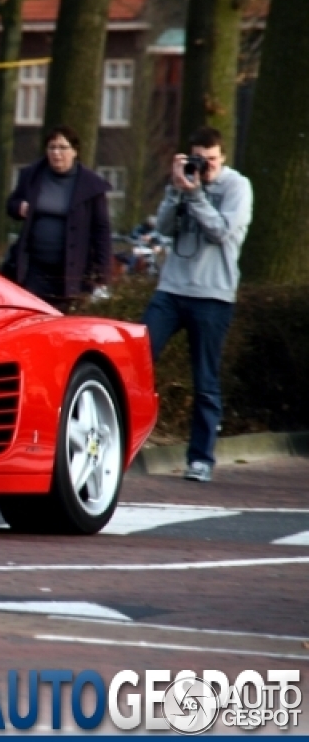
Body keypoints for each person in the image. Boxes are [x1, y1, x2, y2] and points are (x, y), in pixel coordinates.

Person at [142, 127, 253, 483]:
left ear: (222, 158)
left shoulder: (237, 187)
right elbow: (161, 228)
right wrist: (176, 190)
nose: (203, 167)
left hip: (213, 295)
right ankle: (127, 440)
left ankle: (201, 458)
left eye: (211, 161)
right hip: (172, 289)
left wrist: (197, 194)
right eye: (197, 159)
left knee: (205, 380)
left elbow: (220, 231)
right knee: (138, 357)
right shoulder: (184, 182)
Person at [4, 125, 112, 312]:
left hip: (70, 271)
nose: (56, 153)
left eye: (62, 148)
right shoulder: (32, 175)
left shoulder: (91, 186)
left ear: (75, 151)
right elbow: (11, 204)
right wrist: (19, 207)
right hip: (34, 268)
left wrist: (102, 275)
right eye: (52, 147)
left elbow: (101, 230)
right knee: (31, 317)